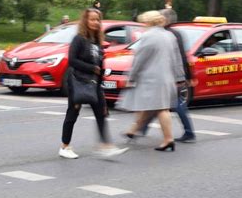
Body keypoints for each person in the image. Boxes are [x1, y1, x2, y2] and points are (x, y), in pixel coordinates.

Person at [59, 8, 128, 159]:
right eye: (92, 19)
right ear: (85, 21)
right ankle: (65, 146)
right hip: (78, 81)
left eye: (97, 20)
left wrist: (101, 82)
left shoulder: (96, 40)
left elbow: (99, 64)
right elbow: (72, 61)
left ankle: (106, 146)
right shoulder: (79, 39)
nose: (95, 22)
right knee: (73, 113)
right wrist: (92, 68)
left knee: (101, 113)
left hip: (94, 83)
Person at [118, 10, 185, 151]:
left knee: (160, 109)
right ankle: (133, 130)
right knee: (152, 106)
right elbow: (177, 58)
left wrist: (131, 77)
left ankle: (168, 139)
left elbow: (140, 59)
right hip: (167, 77)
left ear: (148, 22)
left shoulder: (148, 36)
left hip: (151, 79)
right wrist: (179, 77)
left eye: (143, 22)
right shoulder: (169, 35)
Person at [138, 8, 197, 143]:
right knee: (159, 104)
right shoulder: (172, 33)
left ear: (167, 20)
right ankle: (142, 128)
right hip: (169, 76)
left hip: (169, 76)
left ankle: (188, 132)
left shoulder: (170, 34)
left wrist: (185, 77)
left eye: (160, 17)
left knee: (174, 105)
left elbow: (180, 56)